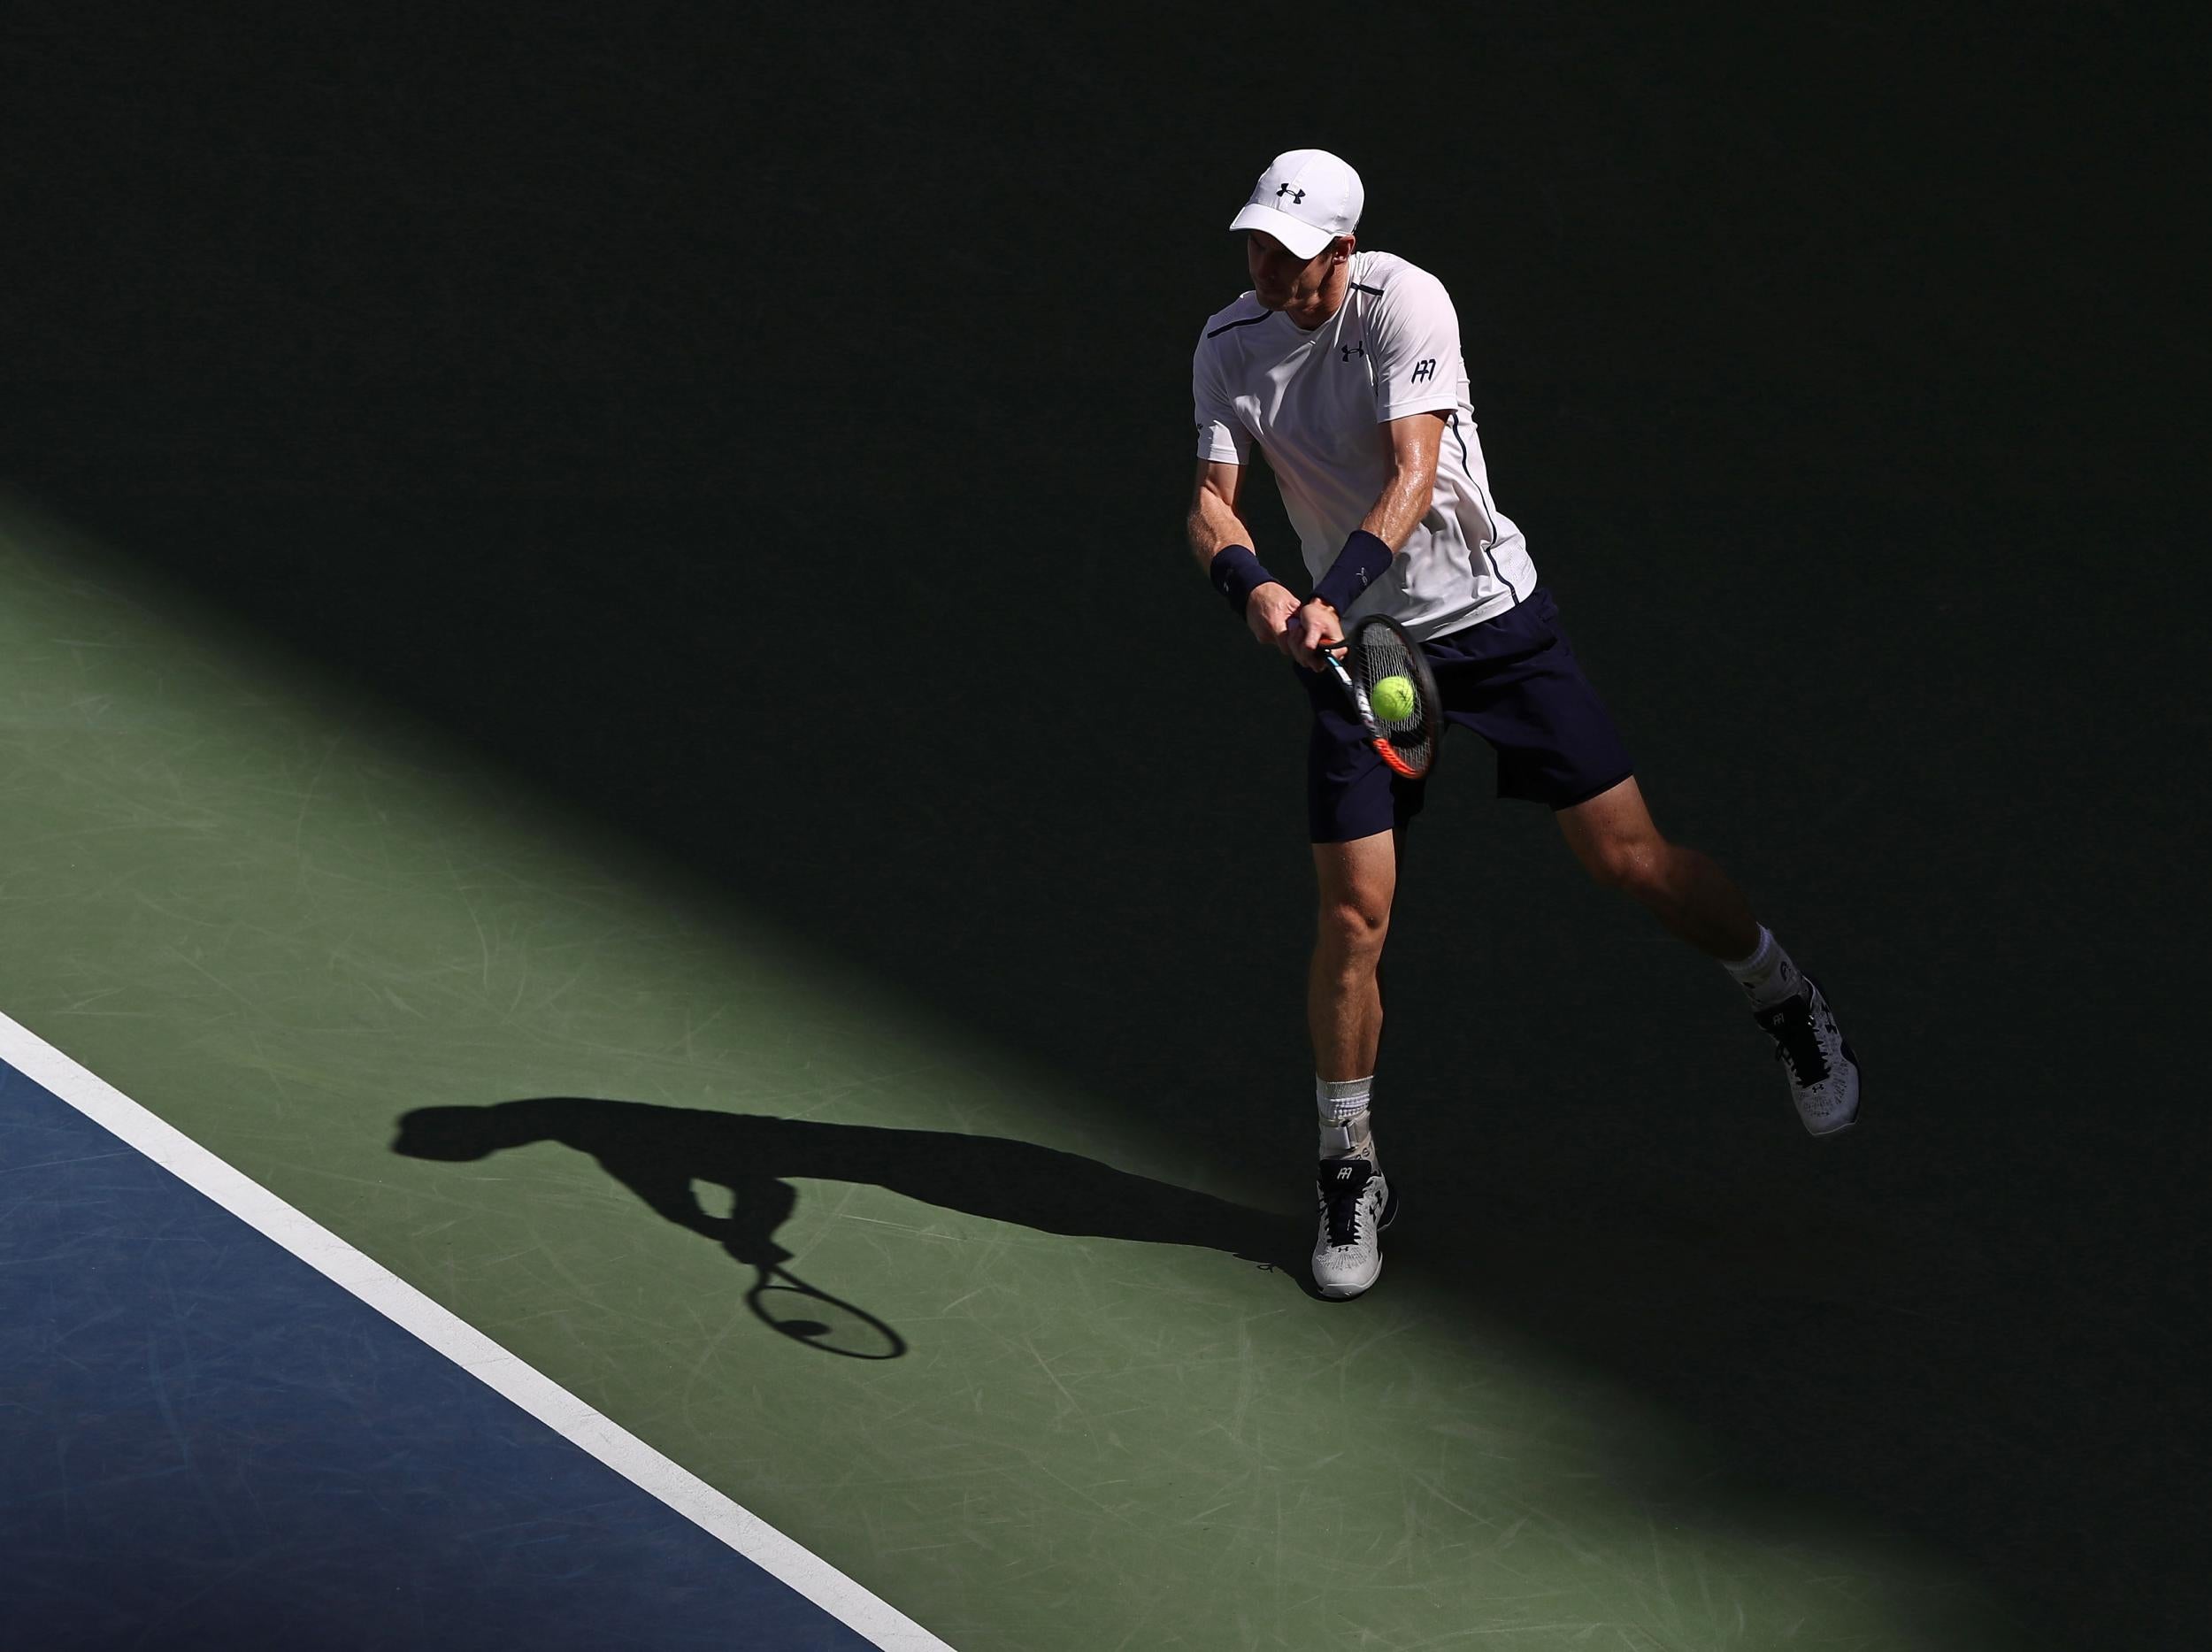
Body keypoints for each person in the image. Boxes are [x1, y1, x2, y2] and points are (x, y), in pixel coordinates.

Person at [1186, 150, 1860, 1302]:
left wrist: (1329, 590)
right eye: (1256, 246)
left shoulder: (1408, 303)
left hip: (1492, 629)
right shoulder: (1228, 345)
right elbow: (1209, 503)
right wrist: (1256, 590)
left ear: (1342, 252)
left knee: (1631, 861)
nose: (1265, 268)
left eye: (1290, 255)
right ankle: (1348, 1163)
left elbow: (1412, 475)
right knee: (1353, 915)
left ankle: (1780, 989)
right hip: (1358, 662)